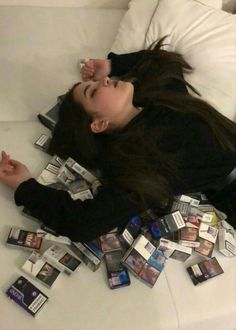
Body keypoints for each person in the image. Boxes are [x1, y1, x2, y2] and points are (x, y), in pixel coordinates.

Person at [1, 38, 236, 243]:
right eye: (92, 92)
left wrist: (111, 65)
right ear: (98, 124)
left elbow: (166, 62)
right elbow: (83, 223)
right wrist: (25, 186)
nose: (104, 81)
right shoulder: (137, 162)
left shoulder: (156, 94)